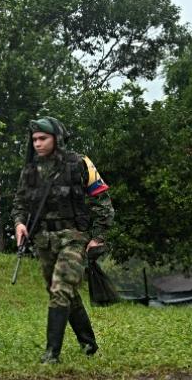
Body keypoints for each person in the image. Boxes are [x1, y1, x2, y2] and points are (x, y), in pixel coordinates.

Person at [11, 116, 115, 364]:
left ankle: (51, 354)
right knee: (62, 292)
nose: (37, 143)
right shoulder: (29, 170)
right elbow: (19, 204)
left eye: (43, 138)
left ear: (57, 138)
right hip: (44, 242)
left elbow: (103, 202)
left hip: (74, 238)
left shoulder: (80, 163)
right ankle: (88, 343)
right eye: (34, 139)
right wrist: (19, 224)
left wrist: (98, 237)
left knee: (60, 291)